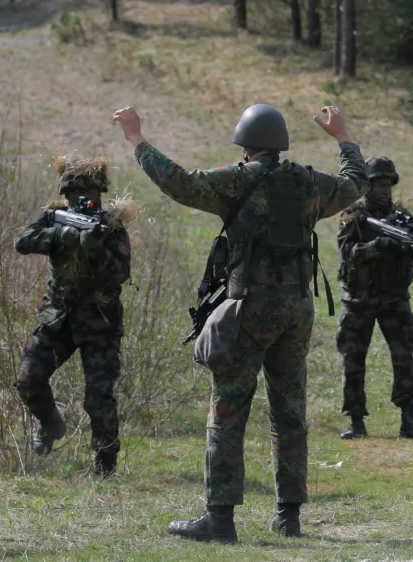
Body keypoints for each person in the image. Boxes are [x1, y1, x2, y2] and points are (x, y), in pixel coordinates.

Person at [112, 103, 369, 542]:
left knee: (227, 413)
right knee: (289, 414)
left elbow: (180, 183)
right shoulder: (309, 184)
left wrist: (137, 140)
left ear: (246, 145)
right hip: (297, 312)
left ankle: (220, 519)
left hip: (249, 310)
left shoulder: (239, 180)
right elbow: (356, 183)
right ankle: (289, 517)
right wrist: (343, 136)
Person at [14, 155, 132, 478]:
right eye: (73, 195)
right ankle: (51, 422)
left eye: (87, 195)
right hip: (59, 319)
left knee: (99, 396)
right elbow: (21, 242)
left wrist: (95, 249)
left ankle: (105, 467)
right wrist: (59, 235)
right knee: (28, 380)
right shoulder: (55, 217)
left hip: (100, 323)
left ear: (99, 194)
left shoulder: (111, 226)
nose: (80, 201)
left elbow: (121, 273)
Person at [335, 156, 413, 440]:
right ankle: (356, 421)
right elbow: (347, 253)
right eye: (377, 183)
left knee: (403, 357)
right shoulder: (353, 215)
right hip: (358, 300)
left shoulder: (401, 217)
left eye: (388, 183)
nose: (384, 189)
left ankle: (408, 418)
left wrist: (408, 247)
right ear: (366, 186)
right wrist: (376, 246)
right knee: (353, 358)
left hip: (394, 299)